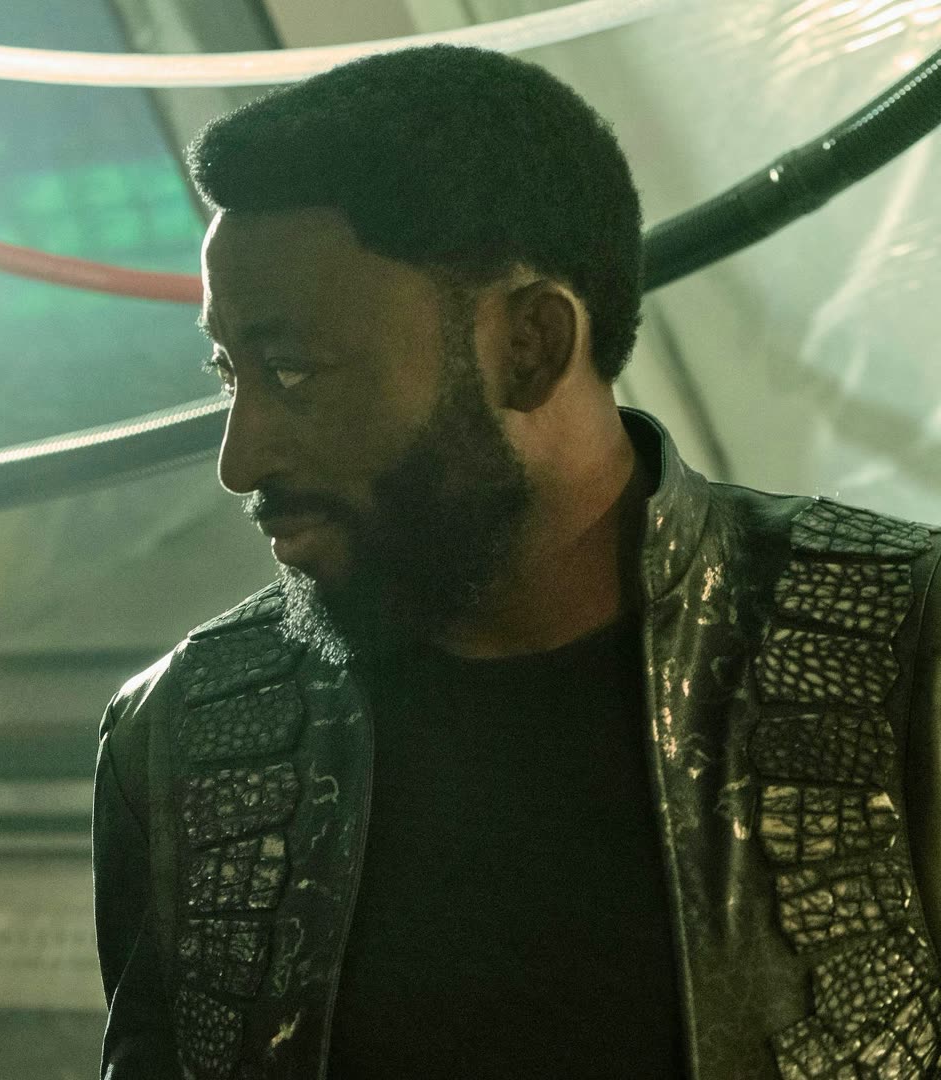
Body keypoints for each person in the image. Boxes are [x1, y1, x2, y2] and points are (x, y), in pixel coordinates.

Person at [93, 45, 941, 1080]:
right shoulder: (180, 735)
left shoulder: (903, 654)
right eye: (232, 373)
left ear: (530, 346)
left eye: (296, 370)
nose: (242, 459)